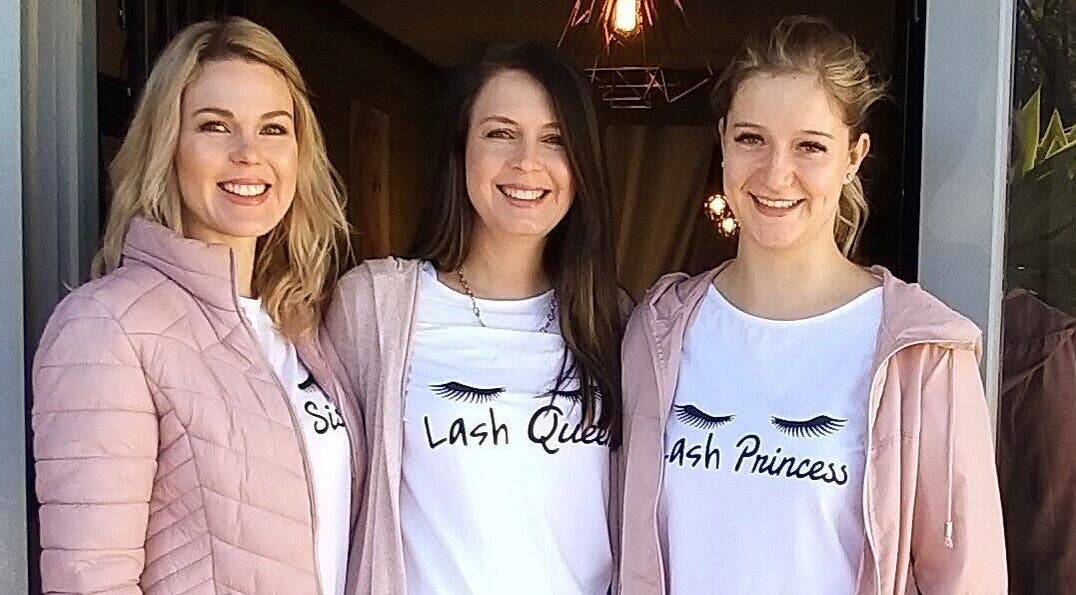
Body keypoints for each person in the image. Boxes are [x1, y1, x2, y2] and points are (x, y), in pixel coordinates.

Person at [617, 16, 1007, 594]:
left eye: (811, 146)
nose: (777, 173)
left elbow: (966, 580)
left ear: (854, 155)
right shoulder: (659, 330)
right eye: (752, 139)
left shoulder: (922, 355)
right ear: (722, 139)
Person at [31, 17, 361, 595]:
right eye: (215, 127)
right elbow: (91, 581)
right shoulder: (109, 326)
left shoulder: (302, 323)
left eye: (273, 129)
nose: (249, 155)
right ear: (168, 144)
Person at [321, 43, 623, 595]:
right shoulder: (375, 309)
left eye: (554, 139)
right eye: (500, 133)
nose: (527, 162)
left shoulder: (615, 322)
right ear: (460, 151)